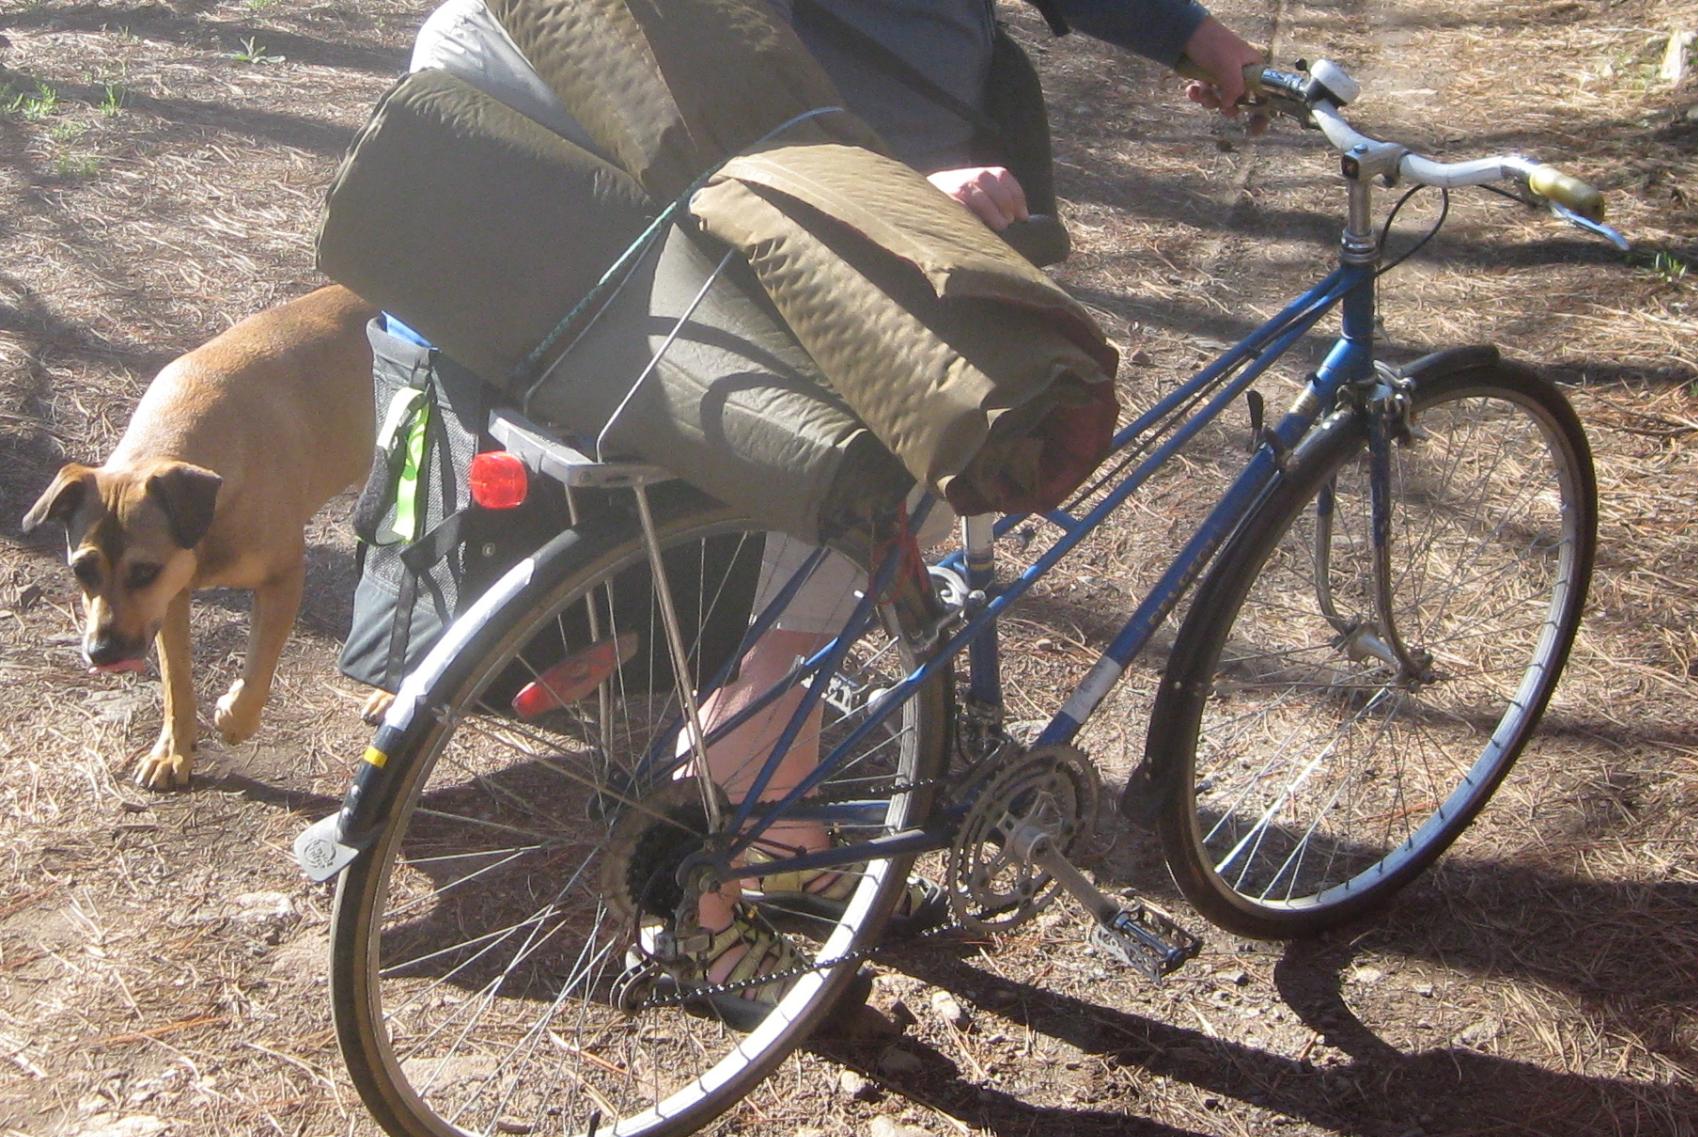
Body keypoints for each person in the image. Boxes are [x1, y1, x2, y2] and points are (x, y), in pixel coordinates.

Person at [407, 0, 1263, 1025]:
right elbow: (709, 54)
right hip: (701, 143)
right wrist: (879, 187)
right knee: (868, 489)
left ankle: (778, 807)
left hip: (733, 144)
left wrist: (1190, 34)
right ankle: (717, 890)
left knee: (840, 474)